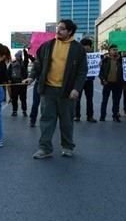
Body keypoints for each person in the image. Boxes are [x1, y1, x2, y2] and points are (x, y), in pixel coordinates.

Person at [24, 20, 87, 159]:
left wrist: (76, 89)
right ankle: (44, 149)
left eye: (62, 29)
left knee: (67, 121)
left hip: (67, 91)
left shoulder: (78, 49)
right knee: (47, 120)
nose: (58, 31)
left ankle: (67, 146)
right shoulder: (47, 46)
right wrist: (32, 77)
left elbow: (82, 71)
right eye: (58, 28)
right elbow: (38, 64)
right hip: (48, 90)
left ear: (70, 31)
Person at [73, 37, 96, 123]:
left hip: (89, 81)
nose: (86, 47)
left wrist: (99, 64)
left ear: (90, 47)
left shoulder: (95, 56)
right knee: (77, 98)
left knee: (90, 99)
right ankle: (76, 115)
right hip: (79, 81)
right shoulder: (77, 56)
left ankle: (90, 116)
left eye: (88, 46)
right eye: (84, 45)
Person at [98, 44, 123, 122]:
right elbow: (100, 72)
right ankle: (102, 116)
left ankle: (115, 115)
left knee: (116, 101)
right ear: (109, 51)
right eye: (113, 50)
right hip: (107, 83)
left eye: (116, 49)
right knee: (105, 100)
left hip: (118, 84)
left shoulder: (122, 60)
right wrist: (103, 80)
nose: (115, 51)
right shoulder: (105, 60)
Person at [8, 50, 28, 117]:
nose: (17, 57)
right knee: (15, 98)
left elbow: (26, 58)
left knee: (23, 98)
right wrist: (9, 80)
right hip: (15, 84)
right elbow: (8, 73)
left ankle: (24, 111)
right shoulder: (12, 64)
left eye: (18, 56)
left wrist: (25, 50)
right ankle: (15, 111)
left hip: (22, 84)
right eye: (17, 55)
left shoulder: (24, 63)